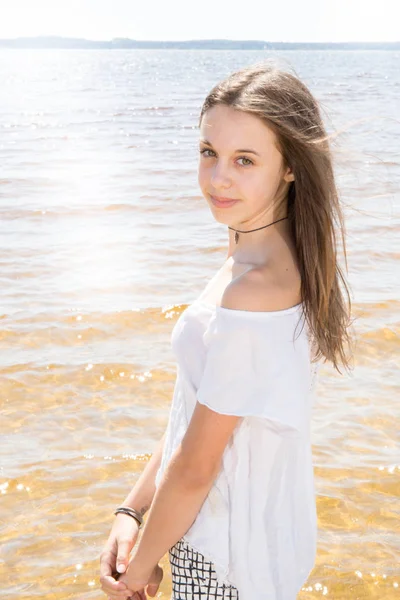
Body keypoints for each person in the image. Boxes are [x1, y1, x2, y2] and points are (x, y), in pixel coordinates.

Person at [99, 60, 354, 600]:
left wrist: (137, 571)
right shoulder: (266, 249)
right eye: (208, 152)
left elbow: (197, 466)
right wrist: (132, 507)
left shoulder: (257, 289)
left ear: (289, 166)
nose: (218, 178)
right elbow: (194, 415)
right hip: (235, 539)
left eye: (245, 160)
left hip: (225, 557)